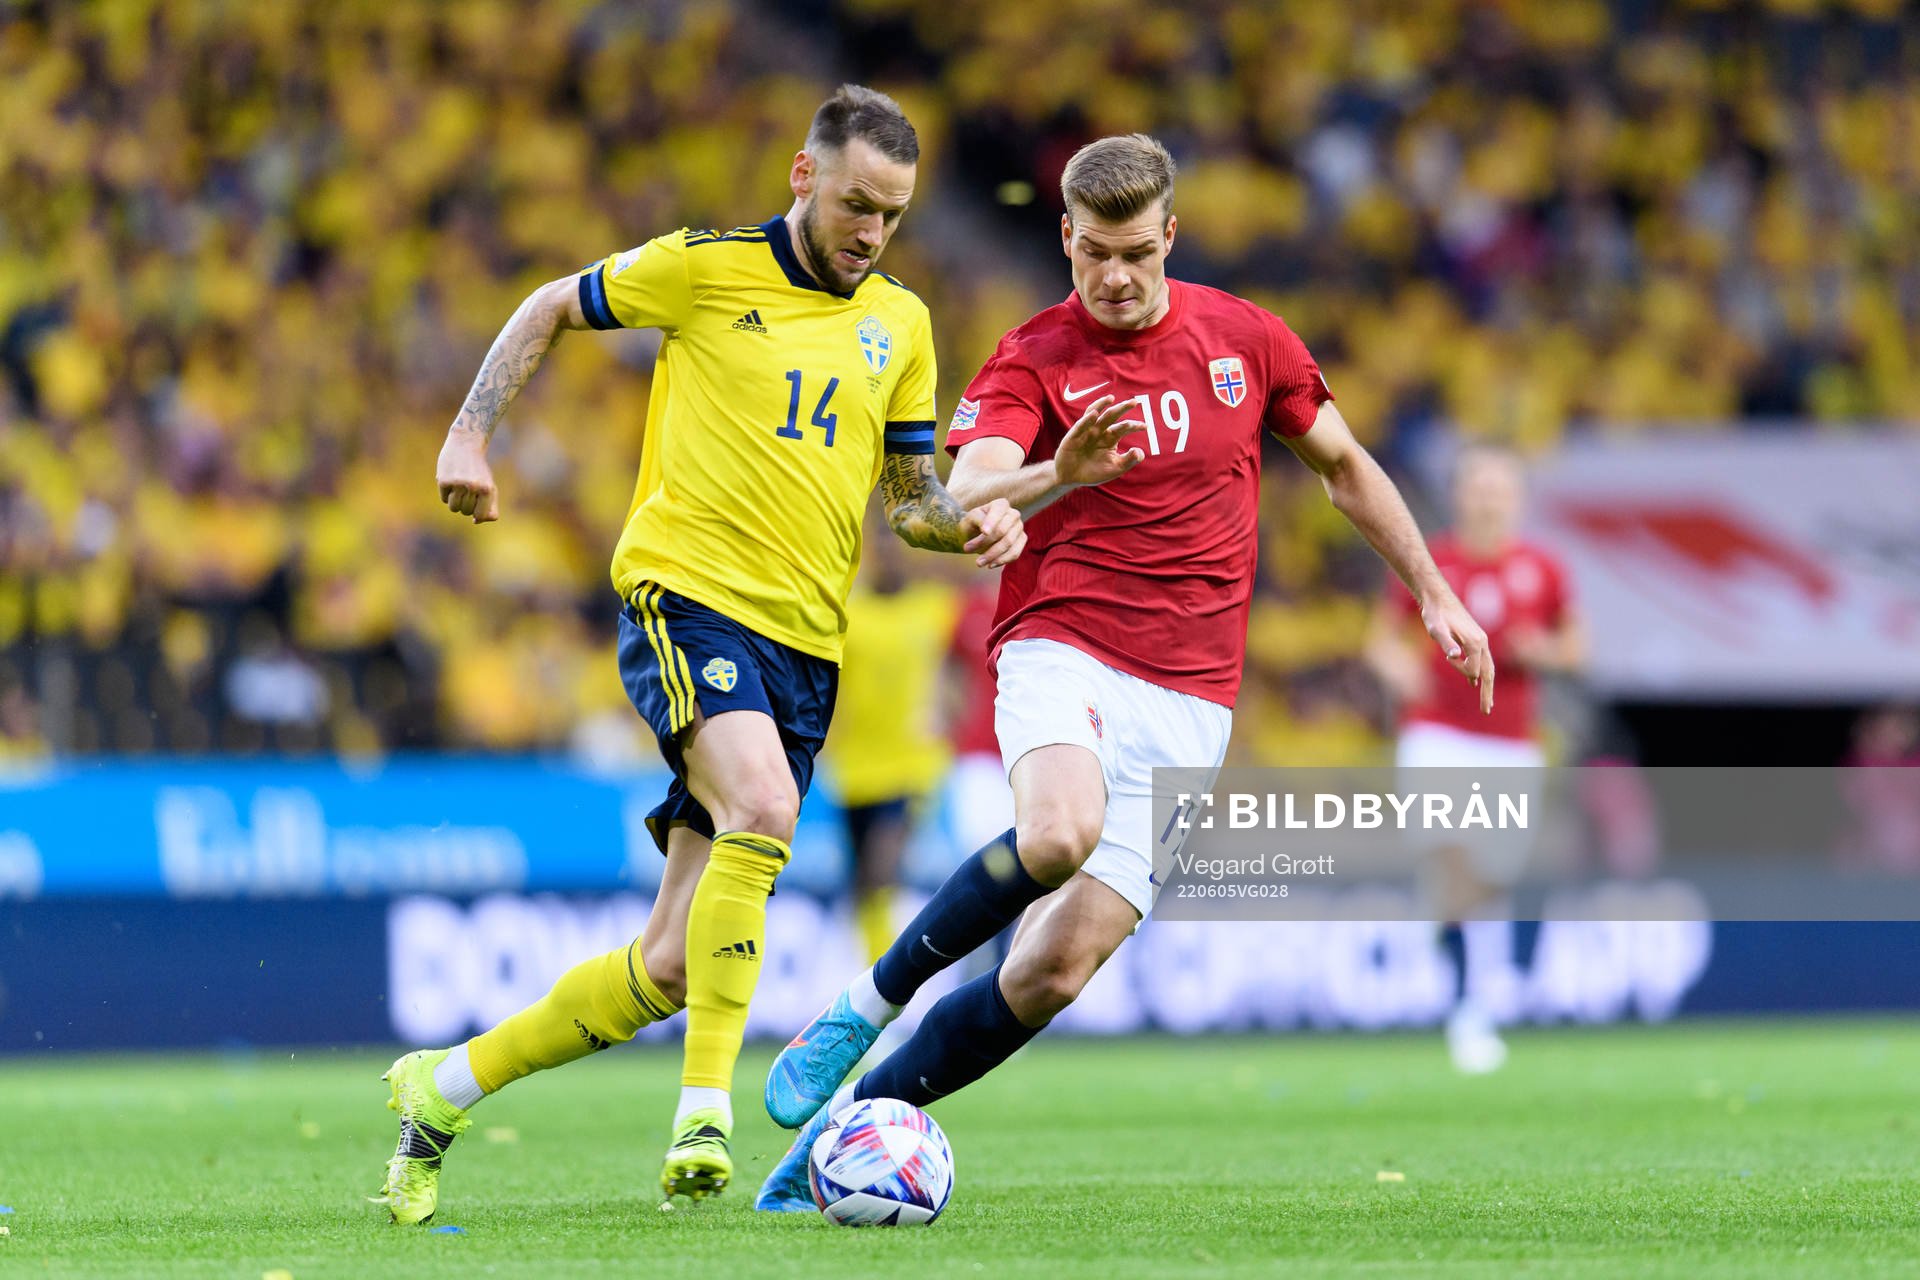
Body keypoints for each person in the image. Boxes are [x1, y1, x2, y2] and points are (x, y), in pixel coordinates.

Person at [753, 133, 1493, 1210]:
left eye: (1137, 253)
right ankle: (867, 999)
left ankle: (831, 1136)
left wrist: (1432, 588)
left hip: (1191, 700)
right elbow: (965, 494)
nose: (1115, 275)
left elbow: (1342, 465)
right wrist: (1062, 471)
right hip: (1064, 643)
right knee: (1058, 830)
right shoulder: (1033, 357)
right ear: (1064, 237)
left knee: (1051, 972)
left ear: (1170, 237)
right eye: (1094, 251)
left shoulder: (1245, 338)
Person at [373, 85, 1025, 1222]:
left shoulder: (903, 325)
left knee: (670, 962)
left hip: (805, 649)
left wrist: (985, 516)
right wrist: (469, 431)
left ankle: (443, 1084)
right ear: (802, 175)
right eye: (858, 203)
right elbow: (547, 305)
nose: (873, 231)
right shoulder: (704, 267)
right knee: (762, 807)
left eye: (896, 214)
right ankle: (703, 1113)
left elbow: (912, 499)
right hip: (686, 598)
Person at [1364, 442, 1584, 1073]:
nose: (1489, 500)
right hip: (1437, 731)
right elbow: (1380, 639)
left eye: (1500, 489)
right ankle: (1469, 996)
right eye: (1479, 487)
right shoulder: (1431, 561)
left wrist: (1542, 650)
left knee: (1491, 877)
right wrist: (1401, 668)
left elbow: (1577, 648)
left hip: (1510, 742)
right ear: (1460, 494)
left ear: (1518, 498)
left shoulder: (1543, 569)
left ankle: (1463, 974)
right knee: (1451, 850)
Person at [826, 512, 960, 965]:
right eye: (877, 546)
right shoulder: (847, 614)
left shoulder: (937, 608)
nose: (886, 555)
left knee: (883, 870)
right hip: (853, 768)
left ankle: (886, 988)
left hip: (913, 766)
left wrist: (946, 710)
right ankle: (869, 976)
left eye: (893, 545)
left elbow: (960, 674)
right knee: (864, 882)